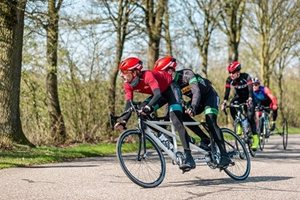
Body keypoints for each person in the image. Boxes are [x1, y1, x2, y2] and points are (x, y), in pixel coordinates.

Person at [114, 57, 195, 171]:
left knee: (175, 120)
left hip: (171, 89)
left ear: (135, 72)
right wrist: (123, 120)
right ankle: (164, 135)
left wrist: (148, 107)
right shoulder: (128, 84)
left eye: (124, 72)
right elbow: (129, 104)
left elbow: (156, 95)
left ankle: (189, 157)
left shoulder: (148, 75)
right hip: (160, 93)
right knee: (141, 112)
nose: (122, 75)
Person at [153, 56, 232, 168]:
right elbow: (168, 102)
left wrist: (193, 107)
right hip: (197, 101)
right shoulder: (170, 84)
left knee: (210, 120)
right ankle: (205, 138)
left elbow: (196, 91)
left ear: (170, 71)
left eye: (162, 74)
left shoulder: (187, 74)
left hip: (209, 97)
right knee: (182, 115)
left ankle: (225, 155)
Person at [220, 61, 259, 151]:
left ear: (238, 72)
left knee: (250, 117)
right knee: (232, 105)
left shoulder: (246, 77)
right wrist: (225, 101)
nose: (231, 75)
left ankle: (255, 139)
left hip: (249, 97)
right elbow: (227, 91)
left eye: (233, 73)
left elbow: (250, 89)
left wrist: (249, 98)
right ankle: (239, 125)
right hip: (239, 97)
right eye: (230, 73)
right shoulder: (229, 79)